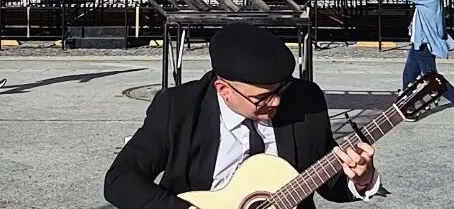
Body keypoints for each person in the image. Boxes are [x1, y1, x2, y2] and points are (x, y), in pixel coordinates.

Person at [104, 23, 380, 209]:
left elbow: (330, 184)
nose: (276, 102)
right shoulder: (178, 107)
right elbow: (120, 180)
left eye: (280, 89)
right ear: (224, 90)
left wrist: (361, 178)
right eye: (261, 99)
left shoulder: (305, 101)